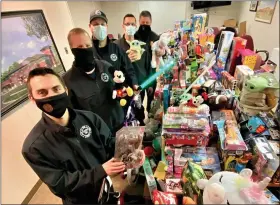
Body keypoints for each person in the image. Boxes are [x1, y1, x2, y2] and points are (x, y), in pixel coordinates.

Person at [22, 67, 125, 204]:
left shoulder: (90, 118)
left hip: (106, 188)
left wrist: (131, 151)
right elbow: (60, 184)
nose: (51, 96)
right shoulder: (34, 147)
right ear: (32, 99)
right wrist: (100, 171)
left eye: (56, 89)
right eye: (42, 92)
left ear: (65, 89)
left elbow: (109, 144)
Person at [63, 28, 124, 134]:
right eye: (80, 47)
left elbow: (118, 88)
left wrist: (122, 92)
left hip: (119, 124)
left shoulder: (106, 66)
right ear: (71, 49)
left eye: (87, 45)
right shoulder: (67, 81)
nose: (85, 49)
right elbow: (72, 116)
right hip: (98, 134)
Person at [115, 14, 153, 125]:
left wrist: (150, 83)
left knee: (140, 108)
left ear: (136, 26)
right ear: (123, 26)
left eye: (132, 24)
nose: (130, 26)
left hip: (141, 84)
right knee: (128, 112)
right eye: (127, 24)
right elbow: (114, 69)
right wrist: (126, 62)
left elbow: (148, 65)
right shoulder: (116, 47)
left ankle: (141, 125)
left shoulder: (143, 45)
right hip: (126, 87)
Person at [89, 9, 139, 90]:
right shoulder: (88, 51)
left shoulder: (116, 48)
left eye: (102, 24)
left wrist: (134, 84)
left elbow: (129, 69)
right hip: (101, 97)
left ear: (107, 26)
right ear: (90, 27)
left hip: (121, 94)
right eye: (96, 24)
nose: (100, 27)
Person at [135, 10, 159, 113]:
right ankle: (139, 120)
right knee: (138, 102)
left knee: (151, 100)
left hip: (152, 75)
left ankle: (150, 116)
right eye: (142, 23)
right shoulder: (134, 37)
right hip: (138, 75)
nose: (144, 25)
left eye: (147, 23)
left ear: (151, 22)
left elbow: (160, 54)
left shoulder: (155, 37)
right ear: (139, 22)